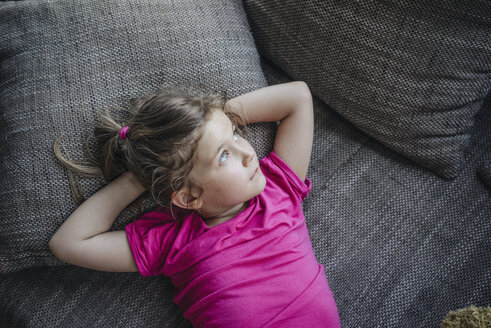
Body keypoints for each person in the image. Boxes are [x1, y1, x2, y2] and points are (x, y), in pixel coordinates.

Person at [49, 82, 341, 327]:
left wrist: (205, 120)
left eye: (237, 134)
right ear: (188, 197)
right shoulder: (170, 241)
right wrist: (140, 179)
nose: (247, 154)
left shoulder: (278, 188)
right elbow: (68, 243)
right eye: (224, 156)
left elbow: (298, 97)